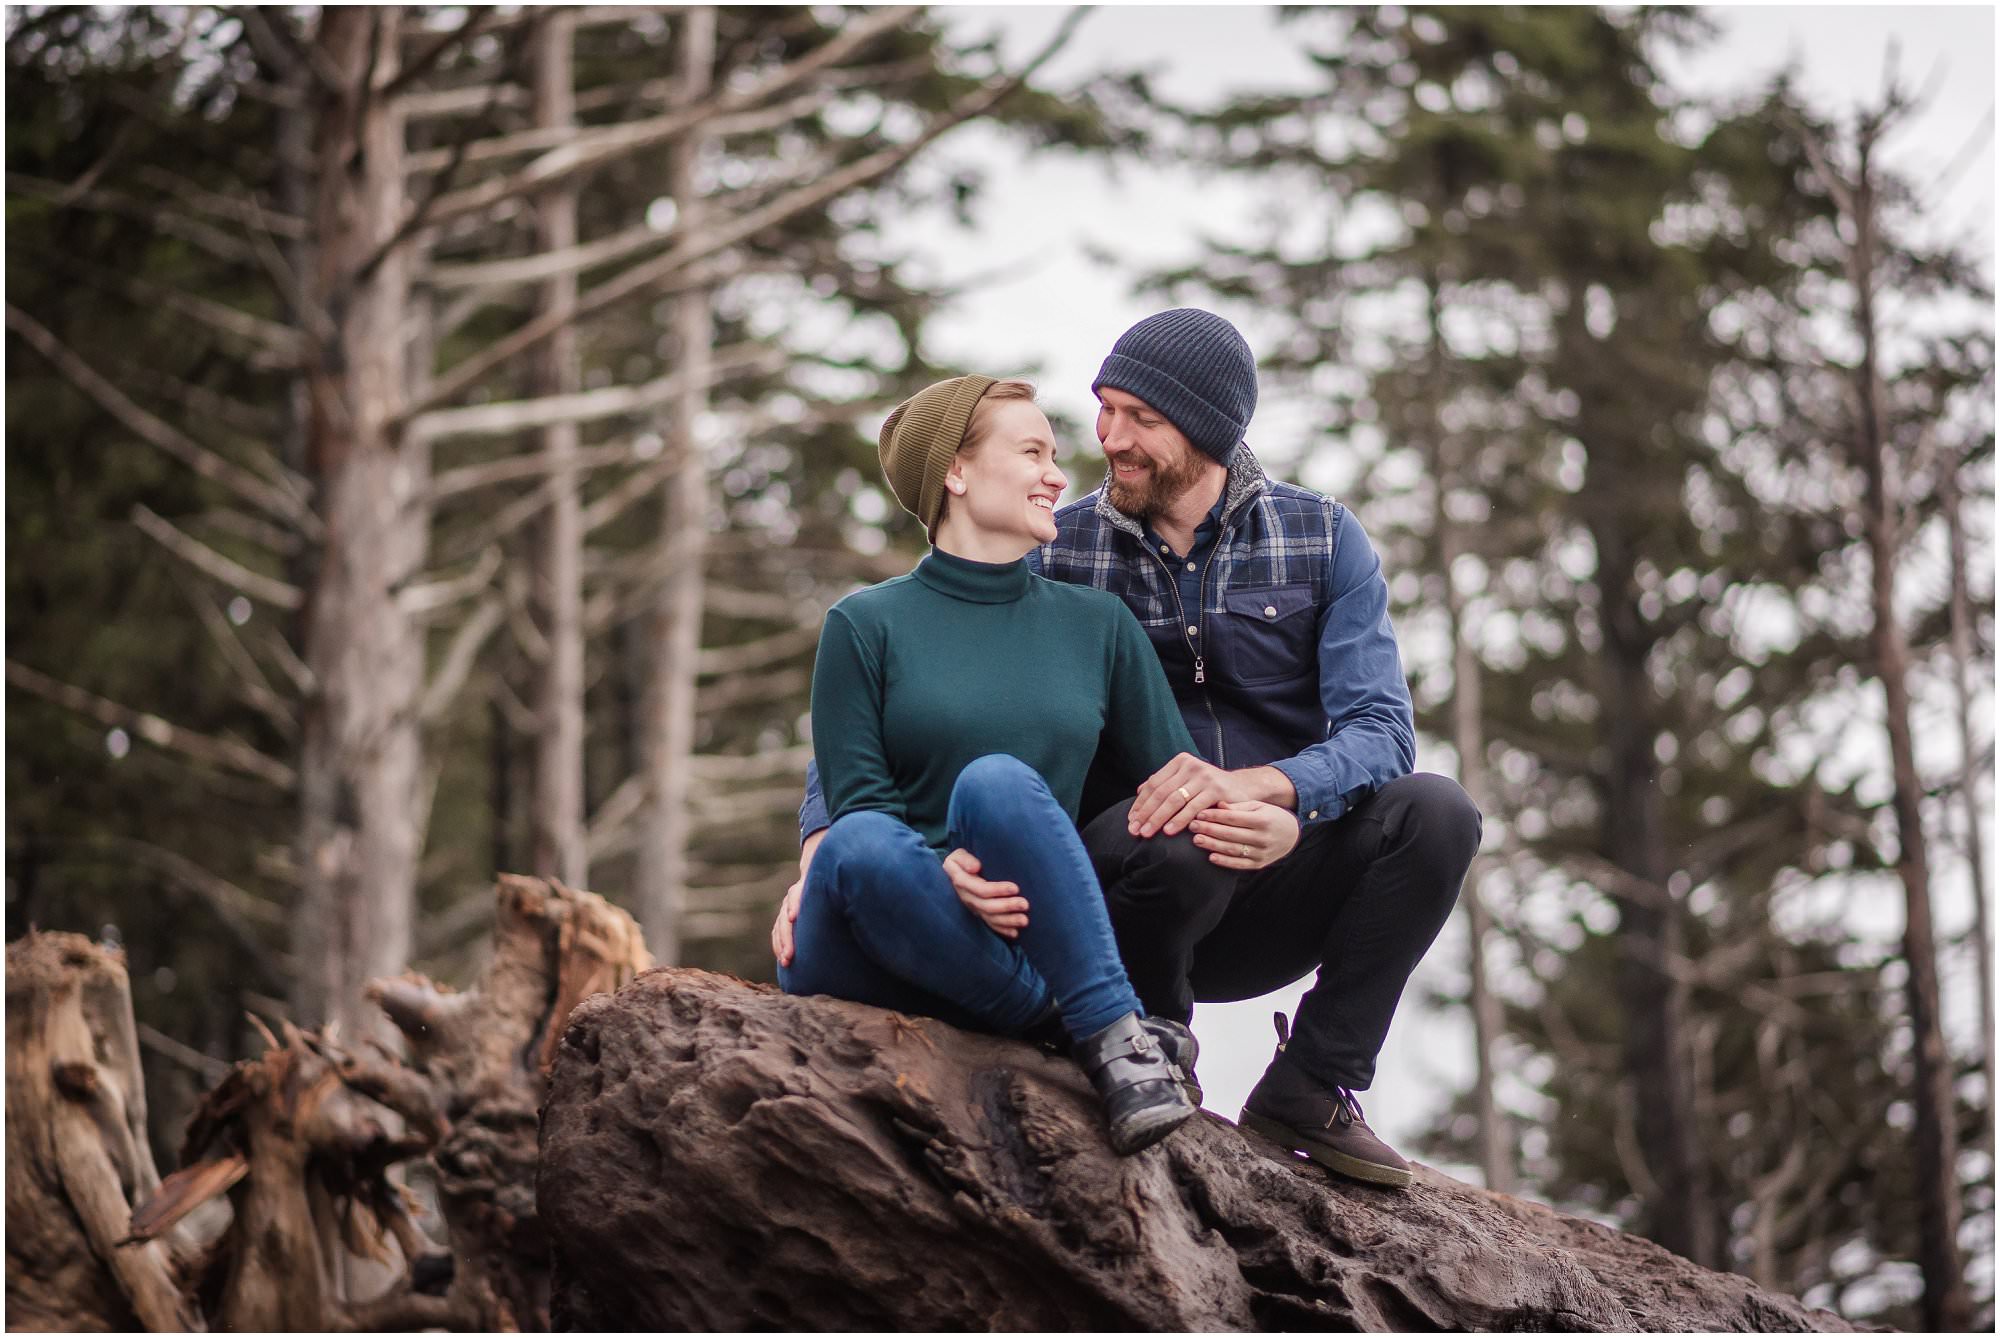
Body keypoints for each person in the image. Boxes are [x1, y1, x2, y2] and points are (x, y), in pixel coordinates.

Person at [796, 310, 1481, 1190]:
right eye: (1102, 410)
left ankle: (1312, 1087)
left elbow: (1383, 732)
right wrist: (825, 847)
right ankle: (1150, 1042)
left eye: (1138, 418)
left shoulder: (1323, 539)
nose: (1106, 439)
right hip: (1130, 888)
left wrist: (1278, 797)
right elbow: (908, 676)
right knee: (1175, 822)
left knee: (1437, 812)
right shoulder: (1060, 550)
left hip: (1275, 867)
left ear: (1206, 428)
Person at [771, 372, 1303, 1157]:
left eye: (1056, 454)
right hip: (878, 930)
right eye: (1032, 452)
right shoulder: (864, 624)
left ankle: (1107, 1037)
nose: (1060, 475)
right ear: (956, 471)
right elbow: (857, 801)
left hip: (1006, 940)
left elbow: (1177, 794)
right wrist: (933, 867)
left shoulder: (1097, 627)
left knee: (997, 782)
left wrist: (1288, 826)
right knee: (859, 847)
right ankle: (1095, 1027)